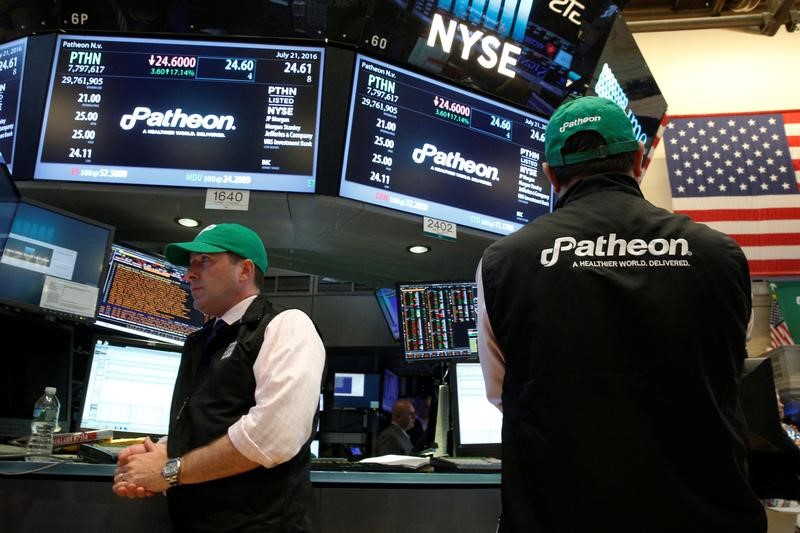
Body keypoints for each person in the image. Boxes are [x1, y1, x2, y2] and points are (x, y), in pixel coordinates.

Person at [476, 96, 767, 533]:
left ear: (550, 174)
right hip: (704, 514)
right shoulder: (720, 254)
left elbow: (502, 392)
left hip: (561, 513)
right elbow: (725, 367)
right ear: (637, 159)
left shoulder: (503, 261)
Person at [111, 223, 325, 532]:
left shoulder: (286, 325)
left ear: (245, 270)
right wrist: (157, 453)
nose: (189, 274)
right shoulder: (201, 340)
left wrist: (168, 470)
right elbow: (208, 424)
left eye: (205, 261)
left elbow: (272, 438)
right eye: (190, 264)